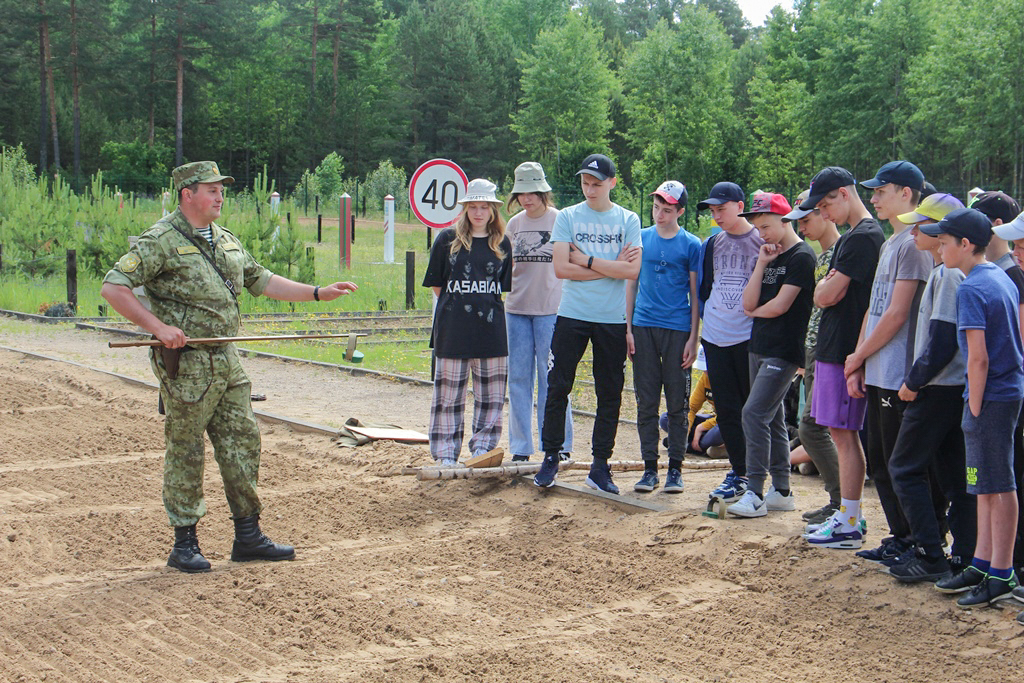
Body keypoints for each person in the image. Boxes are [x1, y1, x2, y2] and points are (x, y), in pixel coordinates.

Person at [101, 161, 358, 573]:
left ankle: (248, 536)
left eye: (222, 190)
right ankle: (184, 543)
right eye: (212, 190)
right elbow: (113, 286)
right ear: (188, 194)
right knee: (186, 449)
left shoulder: (226, 240)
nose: (220, 196)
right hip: (187, 364)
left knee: (243, 442)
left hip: (227, 357)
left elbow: (263, 280)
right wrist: (158, 327)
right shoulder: (161, 240)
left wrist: (317, 293)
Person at [922, 208, 1023, 607]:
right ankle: (983, 562)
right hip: (1004, 392)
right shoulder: (997, 275)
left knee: (999, 484)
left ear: (965, 245)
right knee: (986, 483)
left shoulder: (969, 288)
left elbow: (977, 358)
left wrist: (975, 407)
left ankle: (1001, 572)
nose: (939, 247)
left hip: (991, 396)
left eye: (944, 242)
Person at [533, 154, 641, 493]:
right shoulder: (567, 216)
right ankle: (552, 455)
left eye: (596, 183)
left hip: (611, 318)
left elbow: (632, 271)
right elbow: (562, 269)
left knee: (609, 393)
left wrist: (588, 259)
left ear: (612, 182)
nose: (590, 189)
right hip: (572, 314)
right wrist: (609, 266)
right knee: (558, 385)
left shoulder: (628, 219)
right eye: (585, 183)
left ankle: (600, 465)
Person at [845, 161, 933, 564]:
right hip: (878, 366)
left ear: (906, 194)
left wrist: (860, 354)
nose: (874, 197)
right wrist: (859, 358)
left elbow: (898, 314)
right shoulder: (890, 242)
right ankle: (900, 535)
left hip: (899, 370)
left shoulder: (915, 246)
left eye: (882, 191)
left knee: (902, 465)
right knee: (880, 462)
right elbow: (873, 310)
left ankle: (923, 540)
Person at [885, 193, 976, 583]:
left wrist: (913, 381)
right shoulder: (942, 271)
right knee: (953, 475)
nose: (914, 229)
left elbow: (942, 341)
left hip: (939, 387)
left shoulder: (950, 274)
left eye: (922, 223)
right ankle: (964, 554)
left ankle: (930, 553)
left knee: (903, 467)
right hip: (945, 387)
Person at [799, 167, 884, 549]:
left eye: (828, 202)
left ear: (847, 193)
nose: (825, 211)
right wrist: (825, 285)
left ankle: (850, 518)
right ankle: (847, 513)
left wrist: (825, 285)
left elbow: (826, 296)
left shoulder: (863, 236)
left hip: (844, 349)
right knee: (838, 432)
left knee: (844, 436)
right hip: (835, 349)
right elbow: (824, 290)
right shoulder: (852, 237)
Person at [726, 193, 816, 517]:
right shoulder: (768, 256)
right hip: (759, 346)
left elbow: (781, 305)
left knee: (752, 414)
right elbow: (748, 303)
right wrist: (761, 263)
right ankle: (781, 489)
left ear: (784, 219)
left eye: (765, 226)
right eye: (757, 228)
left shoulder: (802, 257)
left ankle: (754, 492)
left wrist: (754, 311)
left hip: (784, 350)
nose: (761, 234)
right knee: (772, 416)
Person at [423, 178, 513, 467]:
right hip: (453, 332)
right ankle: (446, 454)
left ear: (493, 210)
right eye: (472, 206)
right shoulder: (447, 240)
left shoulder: (502, 243)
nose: (478, 212)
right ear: (464, 208)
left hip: (491, 333)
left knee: (491, 398)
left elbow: (501, 288)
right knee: (448, 398)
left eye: (484, 207)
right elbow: (439, 286)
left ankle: (483, 450)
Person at [627, 181, 701, 493]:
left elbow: (696, 295)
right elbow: (630, 283)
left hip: (677, 328)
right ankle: (649, 468)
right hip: (643, 327)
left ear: (680, 211)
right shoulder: (641, 238)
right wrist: (627, 327)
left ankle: (675, 469)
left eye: (667, 210)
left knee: (677, 404)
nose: (660, 214)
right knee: (645, 401)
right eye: (656, 207)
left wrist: (694, 338)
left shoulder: (691, 244)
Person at [696, 182, 764, 503]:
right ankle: (738, 472)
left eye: (721, 209)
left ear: (740, 206)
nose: (716, 216)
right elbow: (705, 290)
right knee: (726, 409)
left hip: (748, 339)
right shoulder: (711, 244)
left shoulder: (762, 240)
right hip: (714, 337)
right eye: (712, 211)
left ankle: (762, 474)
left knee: (754, 409)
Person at [504, 162, 573, 463]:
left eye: (532, 192)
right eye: (521, 193)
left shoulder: (561, 220)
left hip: (551, 311)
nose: (526, 198)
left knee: (553, 381)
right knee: (519, 380)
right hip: (516, 309)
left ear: (543, 191)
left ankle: (558, 444)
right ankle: (520, 447)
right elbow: (505, 268)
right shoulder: (514, 225)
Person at [786, 190, 843, 525]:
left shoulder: (841, 253)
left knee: (815, 429)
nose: (803, 228)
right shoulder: (821, 257)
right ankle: (838, 500)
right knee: (813, 429)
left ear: (825, 213)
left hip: (829, 354)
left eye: (807, 220)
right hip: (813, 352)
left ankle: (842, 502)